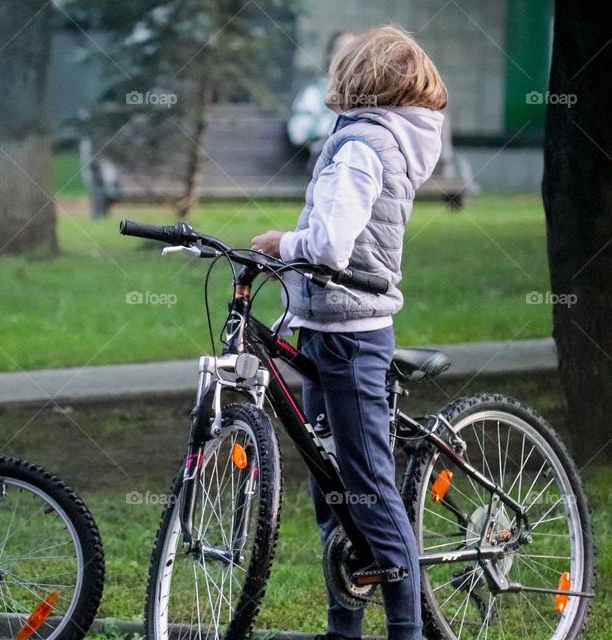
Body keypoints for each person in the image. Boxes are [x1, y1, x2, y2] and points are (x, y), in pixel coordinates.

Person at [251, 26, 447, 640]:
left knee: (366, 488)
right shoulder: (377, 138)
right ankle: (344, 629)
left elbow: (331, 246)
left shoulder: (361, 144)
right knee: (334, 487)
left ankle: (406, 631)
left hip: (350, 335)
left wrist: (281, 243)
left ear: (358, 78)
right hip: (328, 327)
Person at [287, 30, 356, 170]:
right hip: (327, 169)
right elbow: (298, 133)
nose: (348, 57)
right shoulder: (314, 93)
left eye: (354, 52)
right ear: (328, 54)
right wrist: (336, 123)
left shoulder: (368, 94)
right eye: (342, 50)